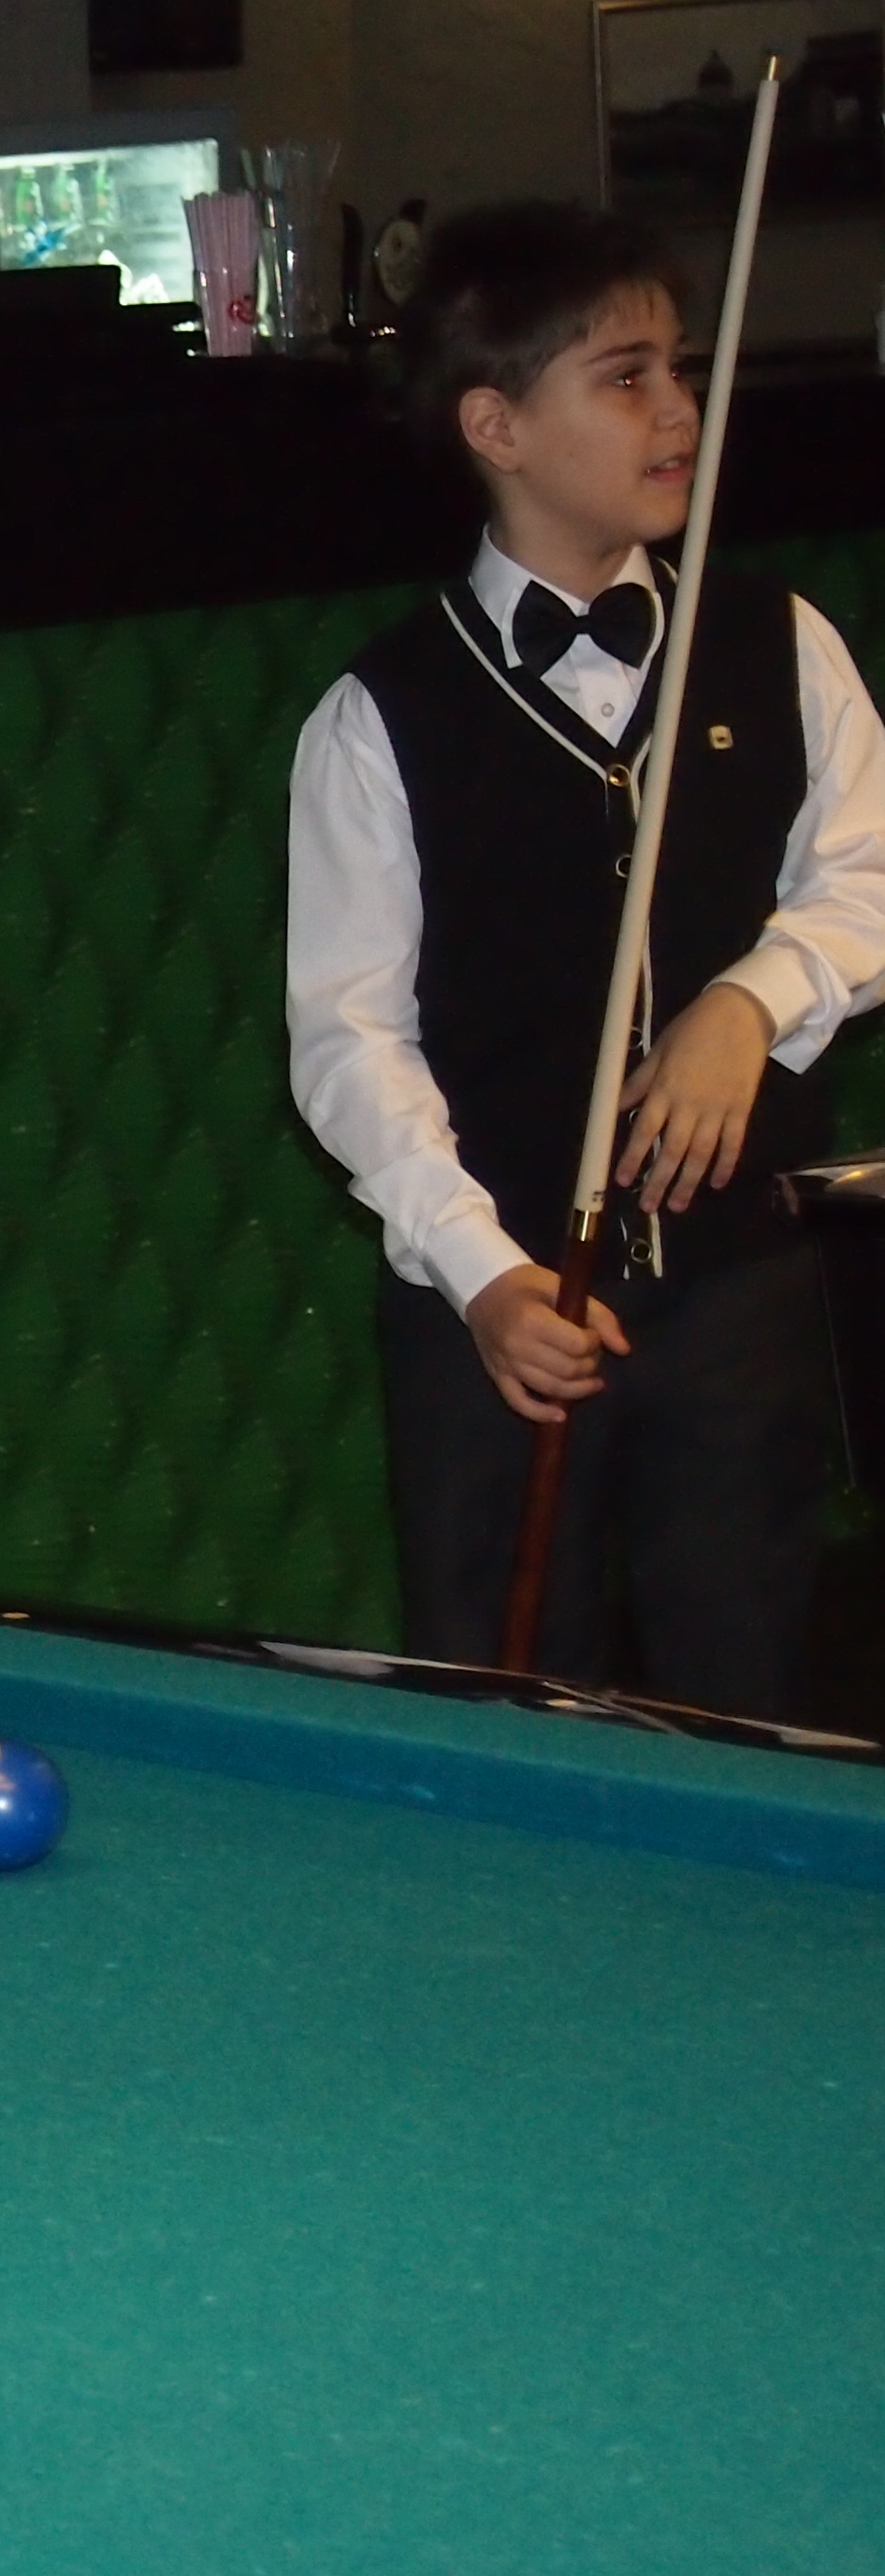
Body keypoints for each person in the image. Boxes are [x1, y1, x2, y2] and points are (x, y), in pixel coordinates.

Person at [286, 202, 885, 1715]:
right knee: (508, 1708)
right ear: (495, 424)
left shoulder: (779, 639)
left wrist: (749, 1001)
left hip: (739, 1295)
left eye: (681, 370)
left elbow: (868, 879)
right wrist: (482, 1273)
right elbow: (348, 1040)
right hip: (495, 1305)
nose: (677, 409)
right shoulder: (377, 715)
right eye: (625, 377)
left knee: (745, 1703)